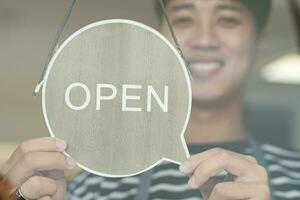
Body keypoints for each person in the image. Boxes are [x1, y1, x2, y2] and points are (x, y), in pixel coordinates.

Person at [1, 0, 300, 199]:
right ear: (159, 42)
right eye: (183, 19)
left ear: (260, 44)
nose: (205, 38)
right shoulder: (92, 186)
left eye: (228, 19)